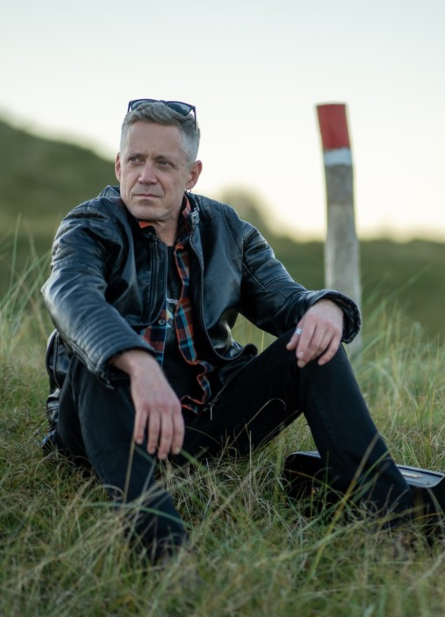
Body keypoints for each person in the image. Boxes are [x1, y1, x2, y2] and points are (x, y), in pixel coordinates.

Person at [42, 99, 413, 563]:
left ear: (192, 174)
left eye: (163, 164)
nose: (146, 176)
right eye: (135, 160)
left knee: (314, 343)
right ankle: (166, 553)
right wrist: (137, 363)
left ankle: (392, 520)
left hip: (204, 426)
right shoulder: (90, 225)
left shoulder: (229, 231)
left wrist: (327, 309)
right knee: (96, 356)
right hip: (103, 426)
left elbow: (287, 300)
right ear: (119, 165)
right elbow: (71, 293)